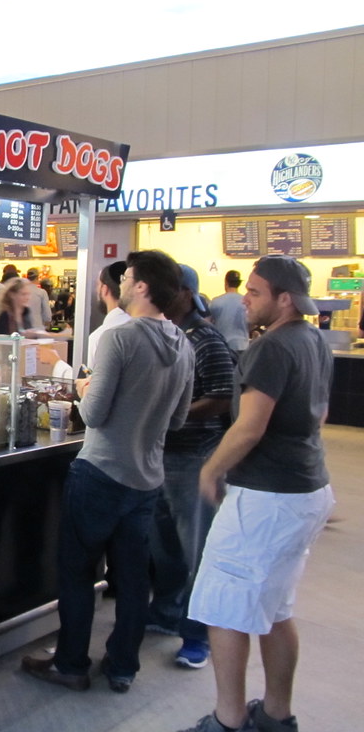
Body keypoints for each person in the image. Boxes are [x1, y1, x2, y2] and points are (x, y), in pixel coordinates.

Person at [21, 250, 194, 694]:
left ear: (141, 286)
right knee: (133, 579)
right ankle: (122, 666)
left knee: (77, 571)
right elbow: (176, 422)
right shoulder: (183, 345)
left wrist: (83, 387)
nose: (121, 282)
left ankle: (72, 663)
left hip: (100, 472)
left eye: (129, 276)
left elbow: (94, 413)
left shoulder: (122, 338)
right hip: (147, 478)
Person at [181, 256, 335, 732]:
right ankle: (275, 715)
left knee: (224, 608)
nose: (244, 298)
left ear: (283, 299)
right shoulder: (314, 340)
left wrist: (211, 468)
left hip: (266, 498)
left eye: (255, 292)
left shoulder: (271, 348)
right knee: (275, 608)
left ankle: (227, 721)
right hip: (307, 488)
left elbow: (249, 427)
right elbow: (321, 414)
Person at [146, 264, 235, 670]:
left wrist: (173, 416)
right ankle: (166, 612)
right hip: (163, 456)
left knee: (197, 549)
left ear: (185, 292)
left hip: (195, 458)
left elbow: (221, 396)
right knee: (163, 545)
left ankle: (197, 636)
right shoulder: (168, 333)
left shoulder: (207, 339)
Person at [87, 261, 132, 368]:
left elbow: (91, 381)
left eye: (97, 285)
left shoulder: (100, 336)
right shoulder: (148, 331)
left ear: (104, 289)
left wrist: (57, 364)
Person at [209, 270, 250, 354]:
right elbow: (253, 324)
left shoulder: (216, 302)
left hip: (222, 346)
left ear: (226, 283)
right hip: (243, 346)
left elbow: (209, 323)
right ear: (239, 284)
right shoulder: (246, 302)